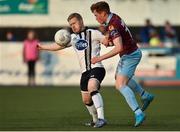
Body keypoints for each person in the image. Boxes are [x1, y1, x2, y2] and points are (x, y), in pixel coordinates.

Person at [90, 1, 154, 127]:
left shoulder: (112, 24)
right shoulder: (114, 17)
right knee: (120, 79)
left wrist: (99, 58)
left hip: (130, 55)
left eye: (96, 15)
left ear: (103, 13)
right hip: (131, 53)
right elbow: (118, 35)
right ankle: (145, 95)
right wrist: (109, 38)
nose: (96, 18)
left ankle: (138, 113)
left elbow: (118, 47)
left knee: (120, 84)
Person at [37, 13, 106, 128]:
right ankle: (95, 120)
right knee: (86, 100)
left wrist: (110, 39)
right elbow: (59, 46)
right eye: (70, 24)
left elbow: (106, 41)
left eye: (74, 23)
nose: (72, 26)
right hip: (85, 72)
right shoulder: (73, 37)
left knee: (92, 87)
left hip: (97, 68)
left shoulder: (94, 33)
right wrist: (43, 47)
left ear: (81, 21)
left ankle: (102, 119)